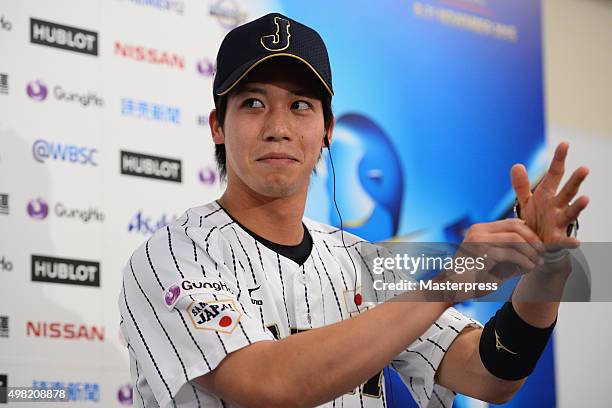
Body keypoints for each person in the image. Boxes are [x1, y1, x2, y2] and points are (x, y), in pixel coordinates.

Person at [118, 13, 590, 408]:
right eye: (253, 103)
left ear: (327, 130)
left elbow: (491, 374)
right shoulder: (174, 255)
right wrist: (451, 283)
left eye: (300, 105)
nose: (278, 127)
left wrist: (548, 272)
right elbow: (268, 383)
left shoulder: (364, 261)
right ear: (219, 127)